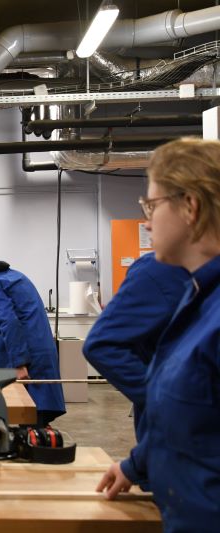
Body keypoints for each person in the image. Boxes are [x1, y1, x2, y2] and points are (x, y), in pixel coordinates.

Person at [97, 138, 220, 532]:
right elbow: (195, 416)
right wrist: (137, 464)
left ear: (191, 207)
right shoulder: (198, 298)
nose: (147, 221)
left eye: (152, 205)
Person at [83, 253, 189, 443]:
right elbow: (103, 344)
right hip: (180, 437)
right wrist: (171, 404)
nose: (148, 226)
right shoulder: (158, 270)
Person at [0, 259, 66, 426]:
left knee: (30, 415)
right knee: (37, 415)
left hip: (28, 356)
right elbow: (12, 320)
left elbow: (8, 322)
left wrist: (19, 363)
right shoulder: (13, 276)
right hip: (39, 349)